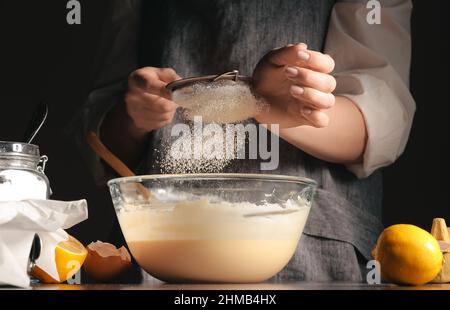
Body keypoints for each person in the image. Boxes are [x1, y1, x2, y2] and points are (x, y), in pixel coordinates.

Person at [72, 0, 415, 282]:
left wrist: (271, 108)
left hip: (311, 253)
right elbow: (102, 143)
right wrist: (134, 118)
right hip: (158, 254)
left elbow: (382, 124)